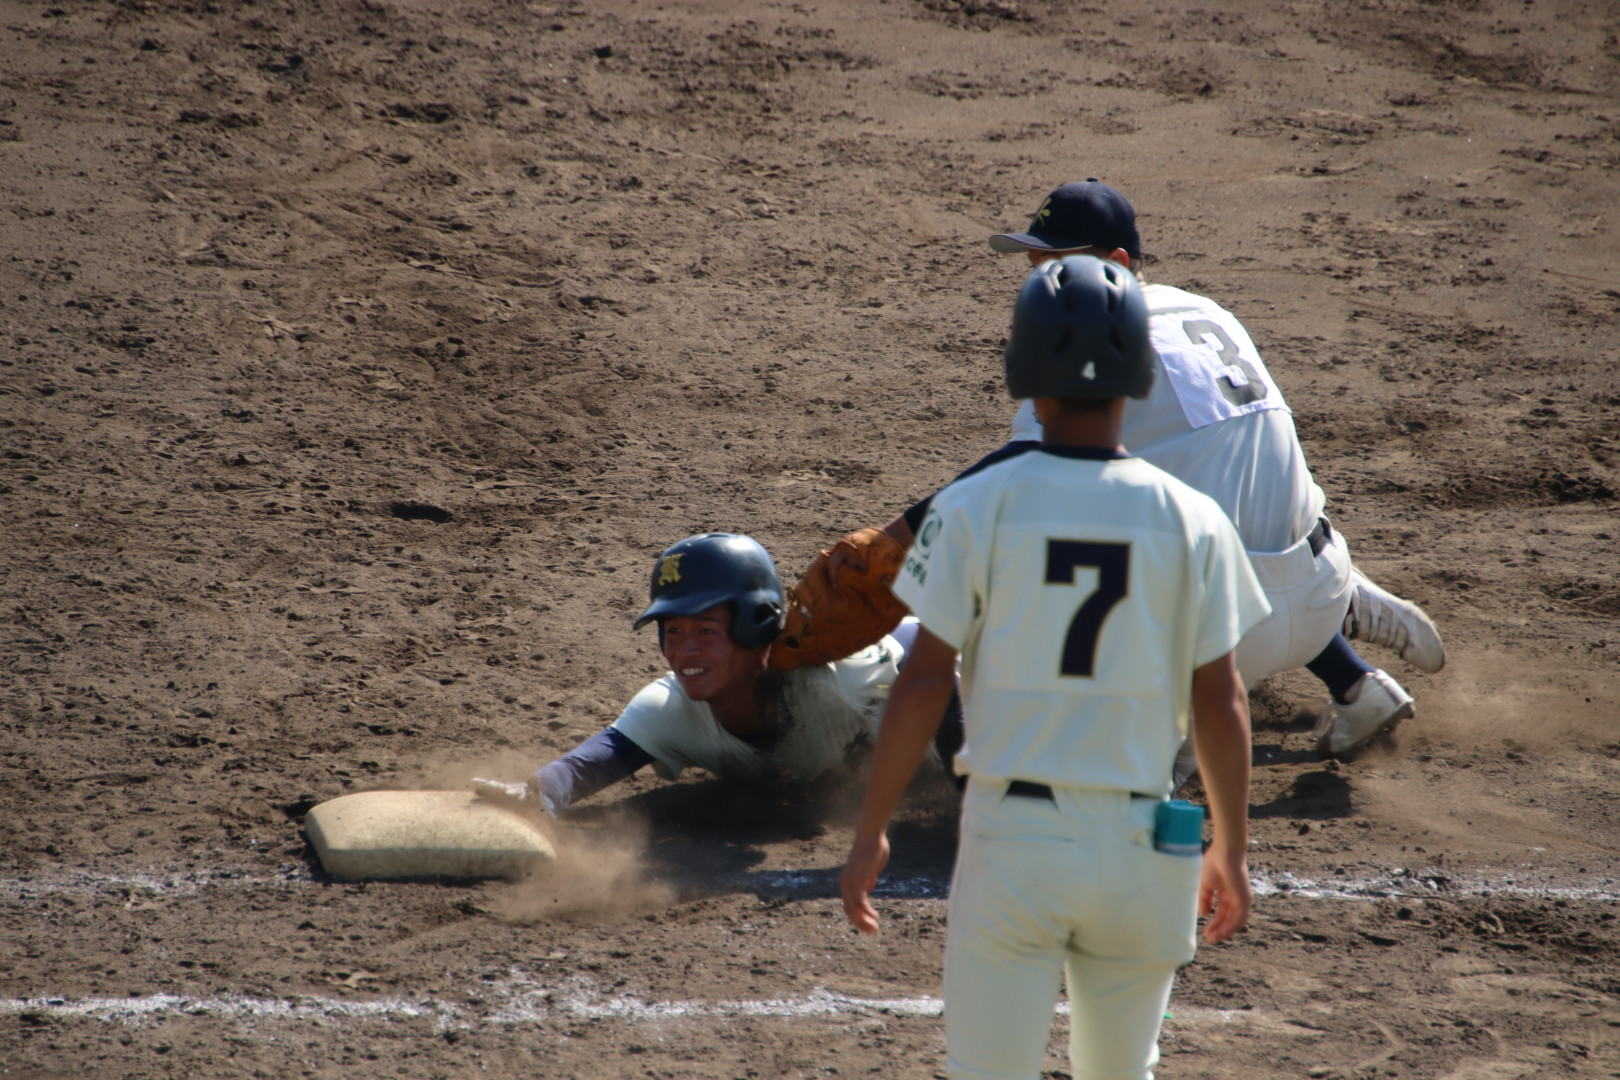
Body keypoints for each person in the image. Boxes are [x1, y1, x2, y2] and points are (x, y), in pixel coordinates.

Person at [840, 255, 1269, 1080]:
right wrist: (1235, 848)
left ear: (1023, 375)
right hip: (1146, 846)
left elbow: (924, 682)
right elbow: (1220, 702)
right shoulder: (1194, 519)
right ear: (1140, 374)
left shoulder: (975, 505)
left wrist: (870, 834)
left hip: (1015, 847)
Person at [860, 180, 1443, 761]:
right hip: (1321, 579)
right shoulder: (1204, 309)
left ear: (1115, 264)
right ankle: (1356, 676)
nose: (1040, 281)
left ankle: (1163, 751)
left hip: (1223, 632)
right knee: (1211, 487)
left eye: (1056, 264)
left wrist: (888, 541)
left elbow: (1009, 477)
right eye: (1036, 263)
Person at [473, 532, 961, 816]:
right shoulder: (670, 709)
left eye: (705, 630)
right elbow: (590, 765)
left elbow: (938, 652)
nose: (684, 650)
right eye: (672, 630)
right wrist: (538, 795)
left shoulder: (837, 675)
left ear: (755, 626)